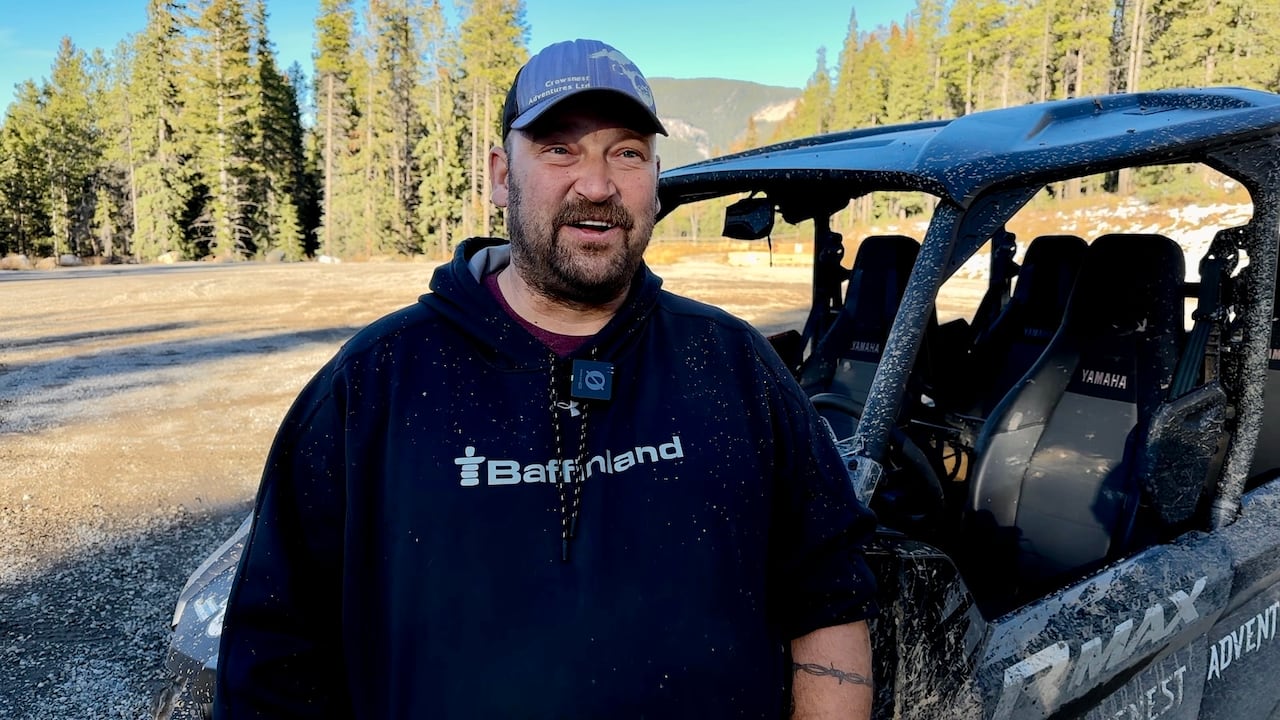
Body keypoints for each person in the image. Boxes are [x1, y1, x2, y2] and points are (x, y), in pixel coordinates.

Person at [214, 38, 877, 719]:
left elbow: (829, 596)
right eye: (560, 148)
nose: (597, 185)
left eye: (627, 152)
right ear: (502, 174)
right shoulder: (373, 386)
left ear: (653, 174)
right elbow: (272, 666)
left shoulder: (735, 368)